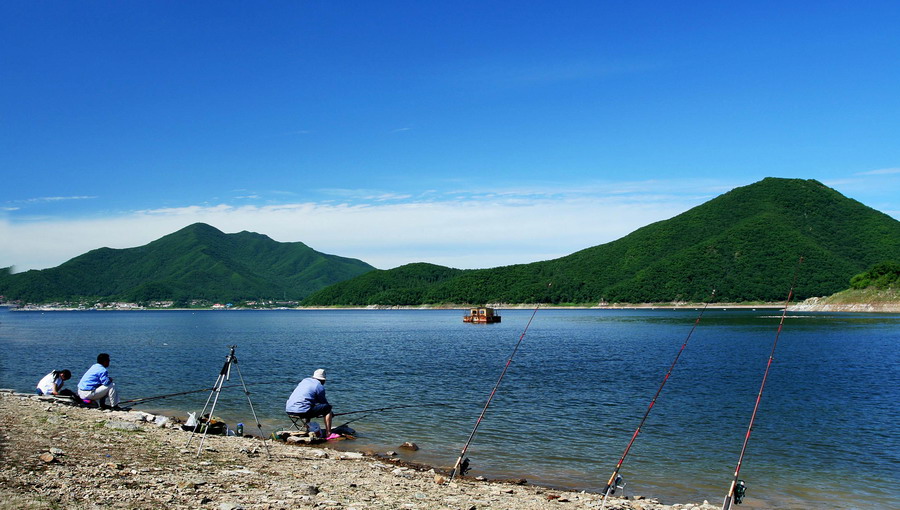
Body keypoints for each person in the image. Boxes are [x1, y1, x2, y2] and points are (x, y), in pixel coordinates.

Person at [285, 368, 337, 439]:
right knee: (328, 408)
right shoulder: (319, 386)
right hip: (302, 412)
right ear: (323, 380)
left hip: (289, 410)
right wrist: (331, 414)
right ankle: (329, 433)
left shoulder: (304, 381)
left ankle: (307, 428)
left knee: (308, 405)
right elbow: (324, 403)